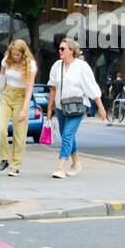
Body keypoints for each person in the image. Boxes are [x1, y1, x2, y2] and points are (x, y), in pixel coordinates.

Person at [46, 37, 106, 178]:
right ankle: (76, 163)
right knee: (67, 135)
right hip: (61, 107)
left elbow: (92, 87)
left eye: (63, 48)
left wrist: (101, 107)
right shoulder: (56, 66)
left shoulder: (82, 66)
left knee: (67, 135)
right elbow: (53, 89)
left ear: (71, 51)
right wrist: (50, 108)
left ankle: (60, 167)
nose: (59, 51)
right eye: (59, 48)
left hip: (77, 107)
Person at [0, 39, 36, 176]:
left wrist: (25, 109)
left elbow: (30, 88)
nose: (15, 57)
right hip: (7, 94)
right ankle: (4, 157)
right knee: (0, 128)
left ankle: (15, 165)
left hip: (21, 97)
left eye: (18, 55)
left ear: (23, 54)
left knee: (19, 134)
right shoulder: (6, 60)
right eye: (13, 54)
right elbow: (1, 78)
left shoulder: (31, 65)